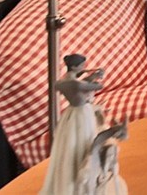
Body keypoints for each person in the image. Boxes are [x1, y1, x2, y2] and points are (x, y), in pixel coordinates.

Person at [41, 54, 105, 195]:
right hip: (82, 115)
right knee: (85, 144)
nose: (84, 67)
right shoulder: (77, 84)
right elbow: (97, 86)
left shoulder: (61, 83)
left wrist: (90, 76)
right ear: (75, 67)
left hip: (70, 115)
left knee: (69, 148)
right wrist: (99, 75)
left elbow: (80, 85)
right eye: (82, 65)